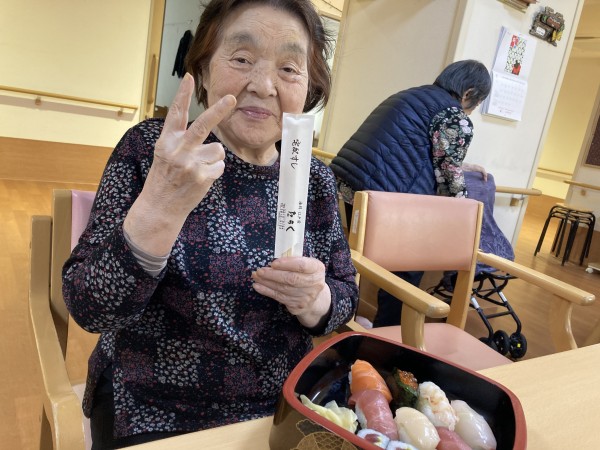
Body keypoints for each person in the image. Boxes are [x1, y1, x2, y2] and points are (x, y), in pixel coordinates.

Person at [62, 1, 358, 448]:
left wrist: (316, 300)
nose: (263, 85)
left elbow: (345, 293)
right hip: (154, 408)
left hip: (280, 407)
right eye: (241, 59)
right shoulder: (152, 150)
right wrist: (158, 210)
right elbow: (89, 307)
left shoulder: (313, 179)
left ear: (309, 87)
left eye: (289, 69)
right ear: (202, 70)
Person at [329, 59, 491, 328]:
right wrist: (466, 222)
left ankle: (348, 320)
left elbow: (416, 149)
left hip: (350, 186)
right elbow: (449, 176)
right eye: (476, 104)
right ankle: (388, 338)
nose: (472, 111)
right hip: (383, 197)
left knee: (359, 261)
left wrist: (463, 166)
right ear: (469, 93)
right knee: (407, 271)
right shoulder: (454, 115)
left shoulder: (411, 95)